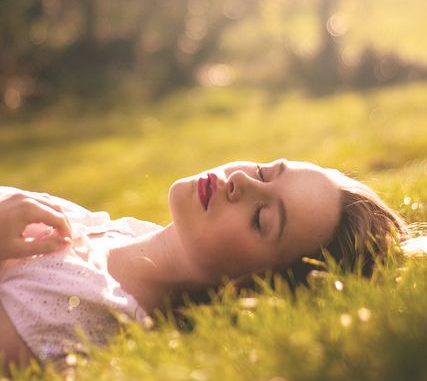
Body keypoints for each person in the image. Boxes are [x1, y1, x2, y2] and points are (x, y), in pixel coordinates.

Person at [0, 159, 418, 371]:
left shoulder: (82, 307)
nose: (242, 183)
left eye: (262, 218)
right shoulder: (124, 237)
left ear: (247, 289)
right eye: (264, 171)